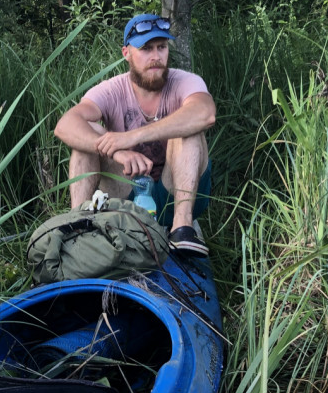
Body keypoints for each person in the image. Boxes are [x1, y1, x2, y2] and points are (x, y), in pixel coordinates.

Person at [54, 13, 215, 254]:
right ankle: (78, 225)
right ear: (126, 53)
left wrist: (132, 137)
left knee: (189, 128)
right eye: (146, 49)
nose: (156, 56)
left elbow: (205, 114)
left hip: (176, 193)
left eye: (161, 47)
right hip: (129, 194)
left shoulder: (186, 81)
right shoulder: (111, 89)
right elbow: (65, 125)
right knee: (88, 136)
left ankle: (182, 229)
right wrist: (117, 151)